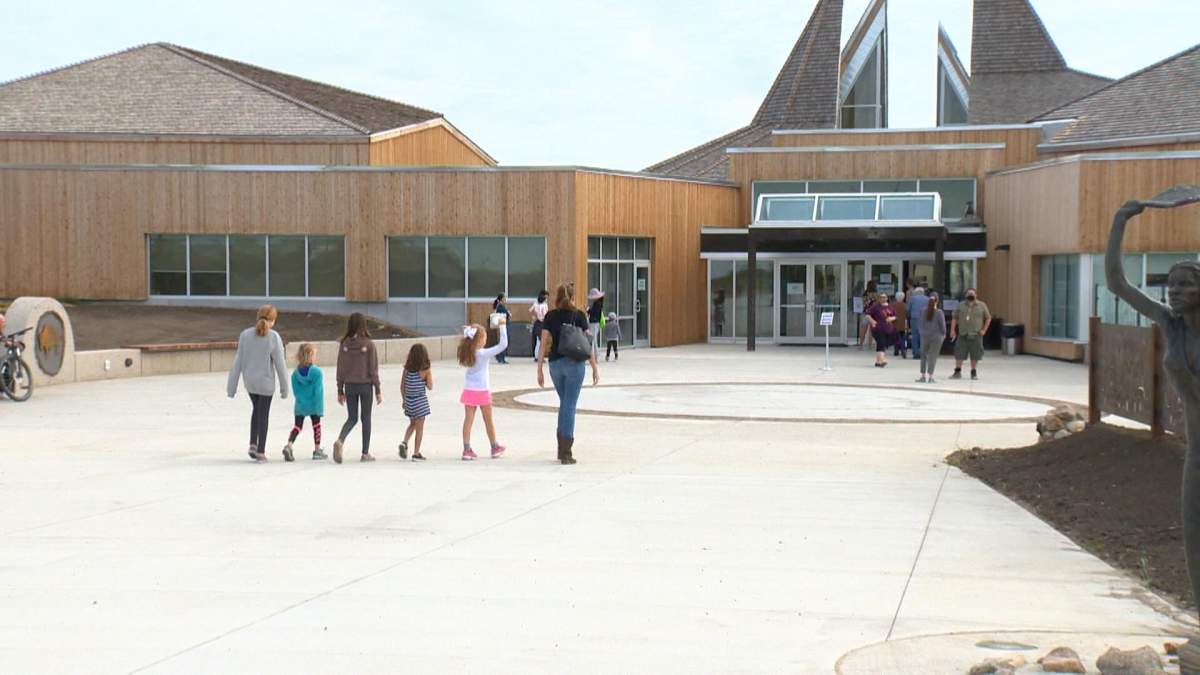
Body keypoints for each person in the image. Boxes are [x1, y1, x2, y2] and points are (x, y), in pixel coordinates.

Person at [538, 282, 600, 465]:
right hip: (575, 364)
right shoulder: (579, 316)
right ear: (573, 298)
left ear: (556, 298)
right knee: (569, 406)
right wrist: (595, 367)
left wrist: (539, 368)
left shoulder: (550, 316)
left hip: (555, 364)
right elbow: (587, 344)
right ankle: (566, 452)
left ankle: (561, 448)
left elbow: (543, 343)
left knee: (565, 404)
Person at [226, 305, 289, 462]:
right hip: (266, 383)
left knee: (256, 410)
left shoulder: (245, 335)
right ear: (273, 320)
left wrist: (231, 388)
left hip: (250, 383)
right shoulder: (274, 337)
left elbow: (237, 362)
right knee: (263, 414)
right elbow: (281, 365)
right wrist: (285, 388)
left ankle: (253, 444)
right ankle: (261, 451)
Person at [333, 313, 382, 463]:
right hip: (365, 386)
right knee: (365, 418)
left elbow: (340, 368)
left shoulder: (344, 344)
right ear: (363, 325)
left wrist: (340, 389)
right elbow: (373, 369)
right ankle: (365, 453)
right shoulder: (369, 344)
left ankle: (340, 440)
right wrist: (378, 390)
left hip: (350, 386)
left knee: (352, 418)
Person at [458, 320, 509, 460]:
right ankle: (494, 446)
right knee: (488, 420)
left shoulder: (467, 352)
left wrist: (467, 330)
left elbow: (468, 337)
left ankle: (466, 449)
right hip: (482, 390)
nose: (486, 340)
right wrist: (502, 325)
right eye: (485, 337)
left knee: (468, 420)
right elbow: (503, 345)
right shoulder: (483, 354)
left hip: (469, 390)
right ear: (480, 340)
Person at [284, 343, 326, 461]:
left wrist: (301, 401)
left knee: (297, 427)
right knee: (316, 426)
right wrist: (319, 409)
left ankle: (289, 445)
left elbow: (296, 392)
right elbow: (318, 392)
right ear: (311, 356)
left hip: (300, 405)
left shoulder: (295, 375)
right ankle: (317, 450)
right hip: (314, 404)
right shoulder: (317, 372)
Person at [399, 343, 432, 461]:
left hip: (409, 401)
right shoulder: (425, 370)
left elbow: (402, 386)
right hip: (420, 402)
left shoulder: (406, 369)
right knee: (420, 428)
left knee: (412, 424)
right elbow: (430, 386)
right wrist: (428, 376)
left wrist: (404, 400)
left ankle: (404, 442)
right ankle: (416, 453)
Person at [950, 288, 992, 380]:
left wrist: (984, 330)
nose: (971, 295)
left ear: (976, 295)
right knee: (959, 353)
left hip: (976, 334)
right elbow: (954, 318)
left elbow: (988, 318)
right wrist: (952, 330)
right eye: (969, 293)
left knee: (975, 354)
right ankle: (957, 371)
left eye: (972, 293)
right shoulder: (960, 305)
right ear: (966, 295)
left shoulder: (982, 305)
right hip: (963, 334)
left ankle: (973, 372)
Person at [915, 293, 946, 383]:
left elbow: (920, 324)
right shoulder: (939, 312)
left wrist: (922, 333)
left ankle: (923, 376)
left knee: (923, 356)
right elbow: (943, 326)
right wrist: (943, 335)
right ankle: (930, 376)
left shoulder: (923, 311)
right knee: (933, 356)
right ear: (937, 301)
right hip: (936, 336)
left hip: (925, 336)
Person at [865, 292, 896, 368]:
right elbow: (867, 315)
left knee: (881, 344)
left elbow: (895, 316)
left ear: (887, 298)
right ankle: (882, 360)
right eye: (881, 297)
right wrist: (872, 321)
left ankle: (878, 361)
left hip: (887, 329)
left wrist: (891, 318)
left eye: (884, 297)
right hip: (878, 328)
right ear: (879, 298)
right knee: (881, 343)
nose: (883, 298)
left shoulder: (890, 307)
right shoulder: (875, 307)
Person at [908, 287, 929, 359]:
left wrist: (908, 316)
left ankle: (916, 353)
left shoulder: (912, 298)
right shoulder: (927, 299)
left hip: (915, 318)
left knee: (915, 335)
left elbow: (908, 309)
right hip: (924, 318)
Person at [530, 290, 550, 359]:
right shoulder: (544, 305)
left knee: (538, 341)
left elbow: (531, 310)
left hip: (537, 322)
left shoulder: (536, 304)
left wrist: (536, 315)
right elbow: (545, 315)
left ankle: (536, 356)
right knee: (541, 341)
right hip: (542, 323)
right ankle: (539, 356)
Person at [492, 293, 511, 364]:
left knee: (503, 342)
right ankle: (500, 357)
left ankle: (500, 357)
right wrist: (509, 314)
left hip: (503, 326)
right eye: (504, 298)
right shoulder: (500, 307)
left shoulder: (501, 306)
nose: (506, 299)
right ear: (502, 299)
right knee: (504, 342)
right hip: (503, 326)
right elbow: (505, 316)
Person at [859, 280, 878, 350]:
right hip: (873, 313)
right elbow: (877, 303)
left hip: (865, 312)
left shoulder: (864, 294)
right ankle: (870, 345)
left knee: (863, 329)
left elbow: (863, 302)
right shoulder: (875, 294)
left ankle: (861, 344)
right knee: (871, 330)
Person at [586, 288, 605, 355]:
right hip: (596, 323)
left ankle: (593, 357)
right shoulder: (599, 304)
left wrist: (588, 310)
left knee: (592, 341)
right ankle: (595, 357)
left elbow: (593, 313)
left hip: (594, 323)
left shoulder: (597, 304)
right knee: (594, 340)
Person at [892, 291, 909, 359]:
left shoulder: (893, 305)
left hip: (895, 323)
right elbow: (908, 314)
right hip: (903, 323)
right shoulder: (905, 305)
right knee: (903, 338)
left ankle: (896, 350)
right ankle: (903, 349)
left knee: (896, 337)